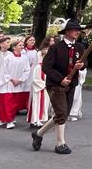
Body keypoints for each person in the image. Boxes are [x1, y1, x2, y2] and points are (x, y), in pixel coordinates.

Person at [32, 19, 87, 155]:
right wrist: (60, 79)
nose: (77, 32)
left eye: (78, 30)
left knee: (63, 114)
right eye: (75, 30)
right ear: (67, 32)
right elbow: (46, 67)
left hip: (71, 84)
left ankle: (38, 134)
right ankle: (60, 143)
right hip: (55, 85)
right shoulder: (56, 47)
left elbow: (85, 62)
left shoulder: (80, 47)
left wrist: (81, 65)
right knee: (61, 113)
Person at [0, 38, 31, 129]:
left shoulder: (24, 58)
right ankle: (9, 121)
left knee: (15, 103)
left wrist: (21, 80)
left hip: (19, 84)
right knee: (8, 103)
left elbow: (27, 70)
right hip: (8, 83)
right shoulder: (8, 58)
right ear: (14, 47)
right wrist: (12, 79)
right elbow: (4, 70)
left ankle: (3, 118)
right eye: (20, 45)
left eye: (22, 45)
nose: (22, 47)